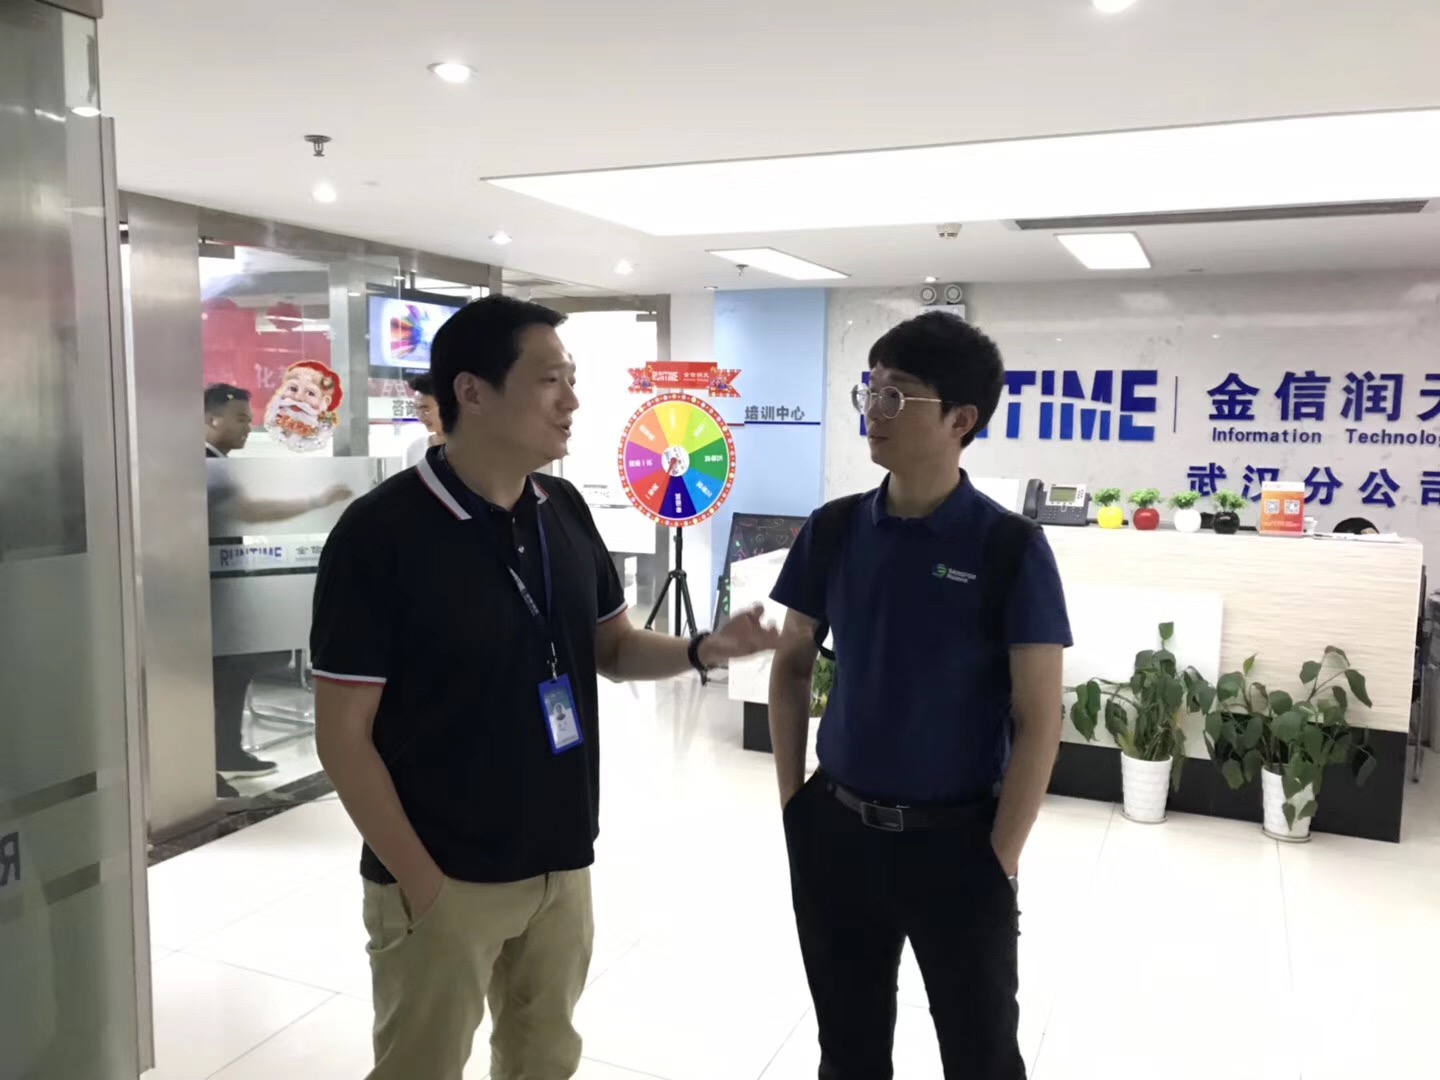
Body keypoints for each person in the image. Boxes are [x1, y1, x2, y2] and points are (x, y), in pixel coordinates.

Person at [309, 295, 779, 1080]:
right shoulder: (379, 534)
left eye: (573, 378)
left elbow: (612, 647)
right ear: (472, 391)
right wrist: (423, 884)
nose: (572, 401)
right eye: (549, 379)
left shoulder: (560, 508)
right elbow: (342, 736)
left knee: (544, 1060)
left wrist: (704, 649)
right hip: (443, 873)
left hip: (559, 863)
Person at [767, 311, 1072, 1079]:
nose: (874, 410)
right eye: (870, 390)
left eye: (897, 395)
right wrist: (794, 802)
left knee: (980, 1055)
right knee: (848, 1050)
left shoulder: (1009, 547)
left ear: (962, 420)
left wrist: (1000, 857)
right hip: (837, 832)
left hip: (958, 844)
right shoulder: (835, 529)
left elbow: (1039, 717)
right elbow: (792, 661)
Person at [204, 384, 351, 784]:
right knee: (218, 676)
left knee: (231, 672)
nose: (247, 428)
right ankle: (208, 763)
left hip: (221, 587)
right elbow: (250, 512)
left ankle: (226, 751)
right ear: (211, 419)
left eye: (249, 420)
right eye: (240, 419)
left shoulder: (218, 465)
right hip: (205, 592)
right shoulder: (205, 466)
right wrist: (316, 502)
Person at [401, 371, 444, 469]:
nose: (421, 417)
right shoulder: (415, 449)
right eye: (417, 410)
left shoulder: (471, 448)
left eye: (426, 410)